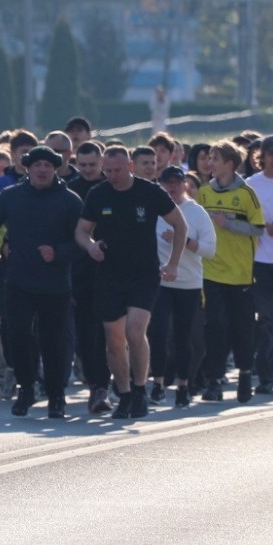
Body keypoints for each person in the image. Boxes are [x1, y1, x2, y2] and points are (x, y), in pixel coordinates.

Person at [77, 145, 185, 417]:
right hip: (109, 275)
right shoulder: (98, 193)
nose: (113, 175)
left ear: (130, 167)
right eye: (108, 171)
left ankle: (140, 390)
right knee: (114, 340)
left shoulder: (149, 192)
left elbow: (179, 224)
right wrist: (90, 246)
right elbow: (81, 231)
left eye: (118, 170)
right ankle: (123, 394)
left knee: (135, 331)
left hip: (144, 274)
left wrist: (173, 263)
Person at [0, 146, 84, 418]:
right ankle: (25, 389)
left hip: (55, 283)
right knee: (18, 336)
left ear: (56, 169)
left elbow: (82, 240)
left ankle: (56, 396)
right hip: (18, 280)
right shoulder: (12, 196)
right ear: (27, 168)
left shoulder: (70, 200)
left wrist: (58, 252)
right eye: (37, 164)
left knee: (53, 341)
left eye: (48, 165)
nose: (42, 169)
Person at [195, 140, 265, 402]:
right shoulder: (203, 192)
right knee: (214, 325)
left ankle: (245, 374)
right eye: (209, 158)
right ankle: (213, 382)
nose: (209, 163)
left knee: (241, 327)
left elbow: (258, 228)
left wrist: (228, 224)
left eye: (215, 158)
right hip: (211, 270)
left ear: (230, 164)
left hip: (240, 273)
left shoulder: (246, 194)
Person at [149, 166, 215, 407]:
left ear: (185, 184)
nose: (172, 187)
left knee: (182, 336)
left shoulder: (196, 213)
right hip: (160, 281)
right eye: (167, 182)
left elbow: (210, 250)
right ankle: (157, 384)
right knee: (157, 332)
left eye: (177, 182)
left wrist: (183, 240)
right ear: (161, 184)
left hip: (188, 283)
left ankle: (183, 386)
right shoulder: (154, 210)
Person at [67, 141, 112, 412]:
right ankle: (97, 386)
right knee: (87, 332)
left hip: (113, 269)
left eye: (92, 165)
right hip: (80, 270)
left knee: (111, 332)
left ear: (102, 161)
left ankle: (110, 381)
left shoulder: (113, 186)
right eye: (81, 165)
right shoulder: (70, 189)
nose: (86, 170)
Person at [246, 136, 273, 394]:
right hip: (259, 263)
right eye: (272, 154)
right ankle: (266, 377)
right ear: (262, 156)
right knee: (266, 321)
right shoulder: (251, 185)